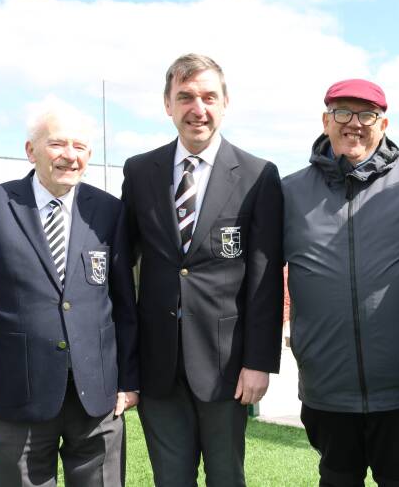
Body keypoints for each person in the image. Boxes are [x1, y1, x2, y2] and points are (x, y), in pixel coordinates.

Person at [0, 98, 139, 486]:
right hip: (16, 397)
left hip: (98, 400)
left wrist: (128, 380)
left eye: (80, 146)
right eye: (57, 144)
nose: (70, 156)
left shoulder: (109, 211)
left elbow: (123, 305)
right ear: (31, 150)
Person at [122, 53, 284, 487]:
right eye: (186, 97)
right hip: (159, 365)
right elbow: (123, 266)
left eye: (209, 97)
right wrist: (126, 362)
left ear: (225, 103)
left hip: (226, 366)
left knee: (226, 477)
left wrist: (259, 362)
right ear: (168, 104)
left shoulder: (258, 175)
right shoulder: (139, 172)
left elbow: (265, 280)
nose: (199, 108)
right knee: (170, 479)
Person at [283, 79, 399, 487]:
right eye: (343, 113)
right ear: (325, 120)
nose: (355, 124)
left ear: (384, 124)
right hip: (327, 387)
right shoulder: (289, 192)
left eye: (366, 114)